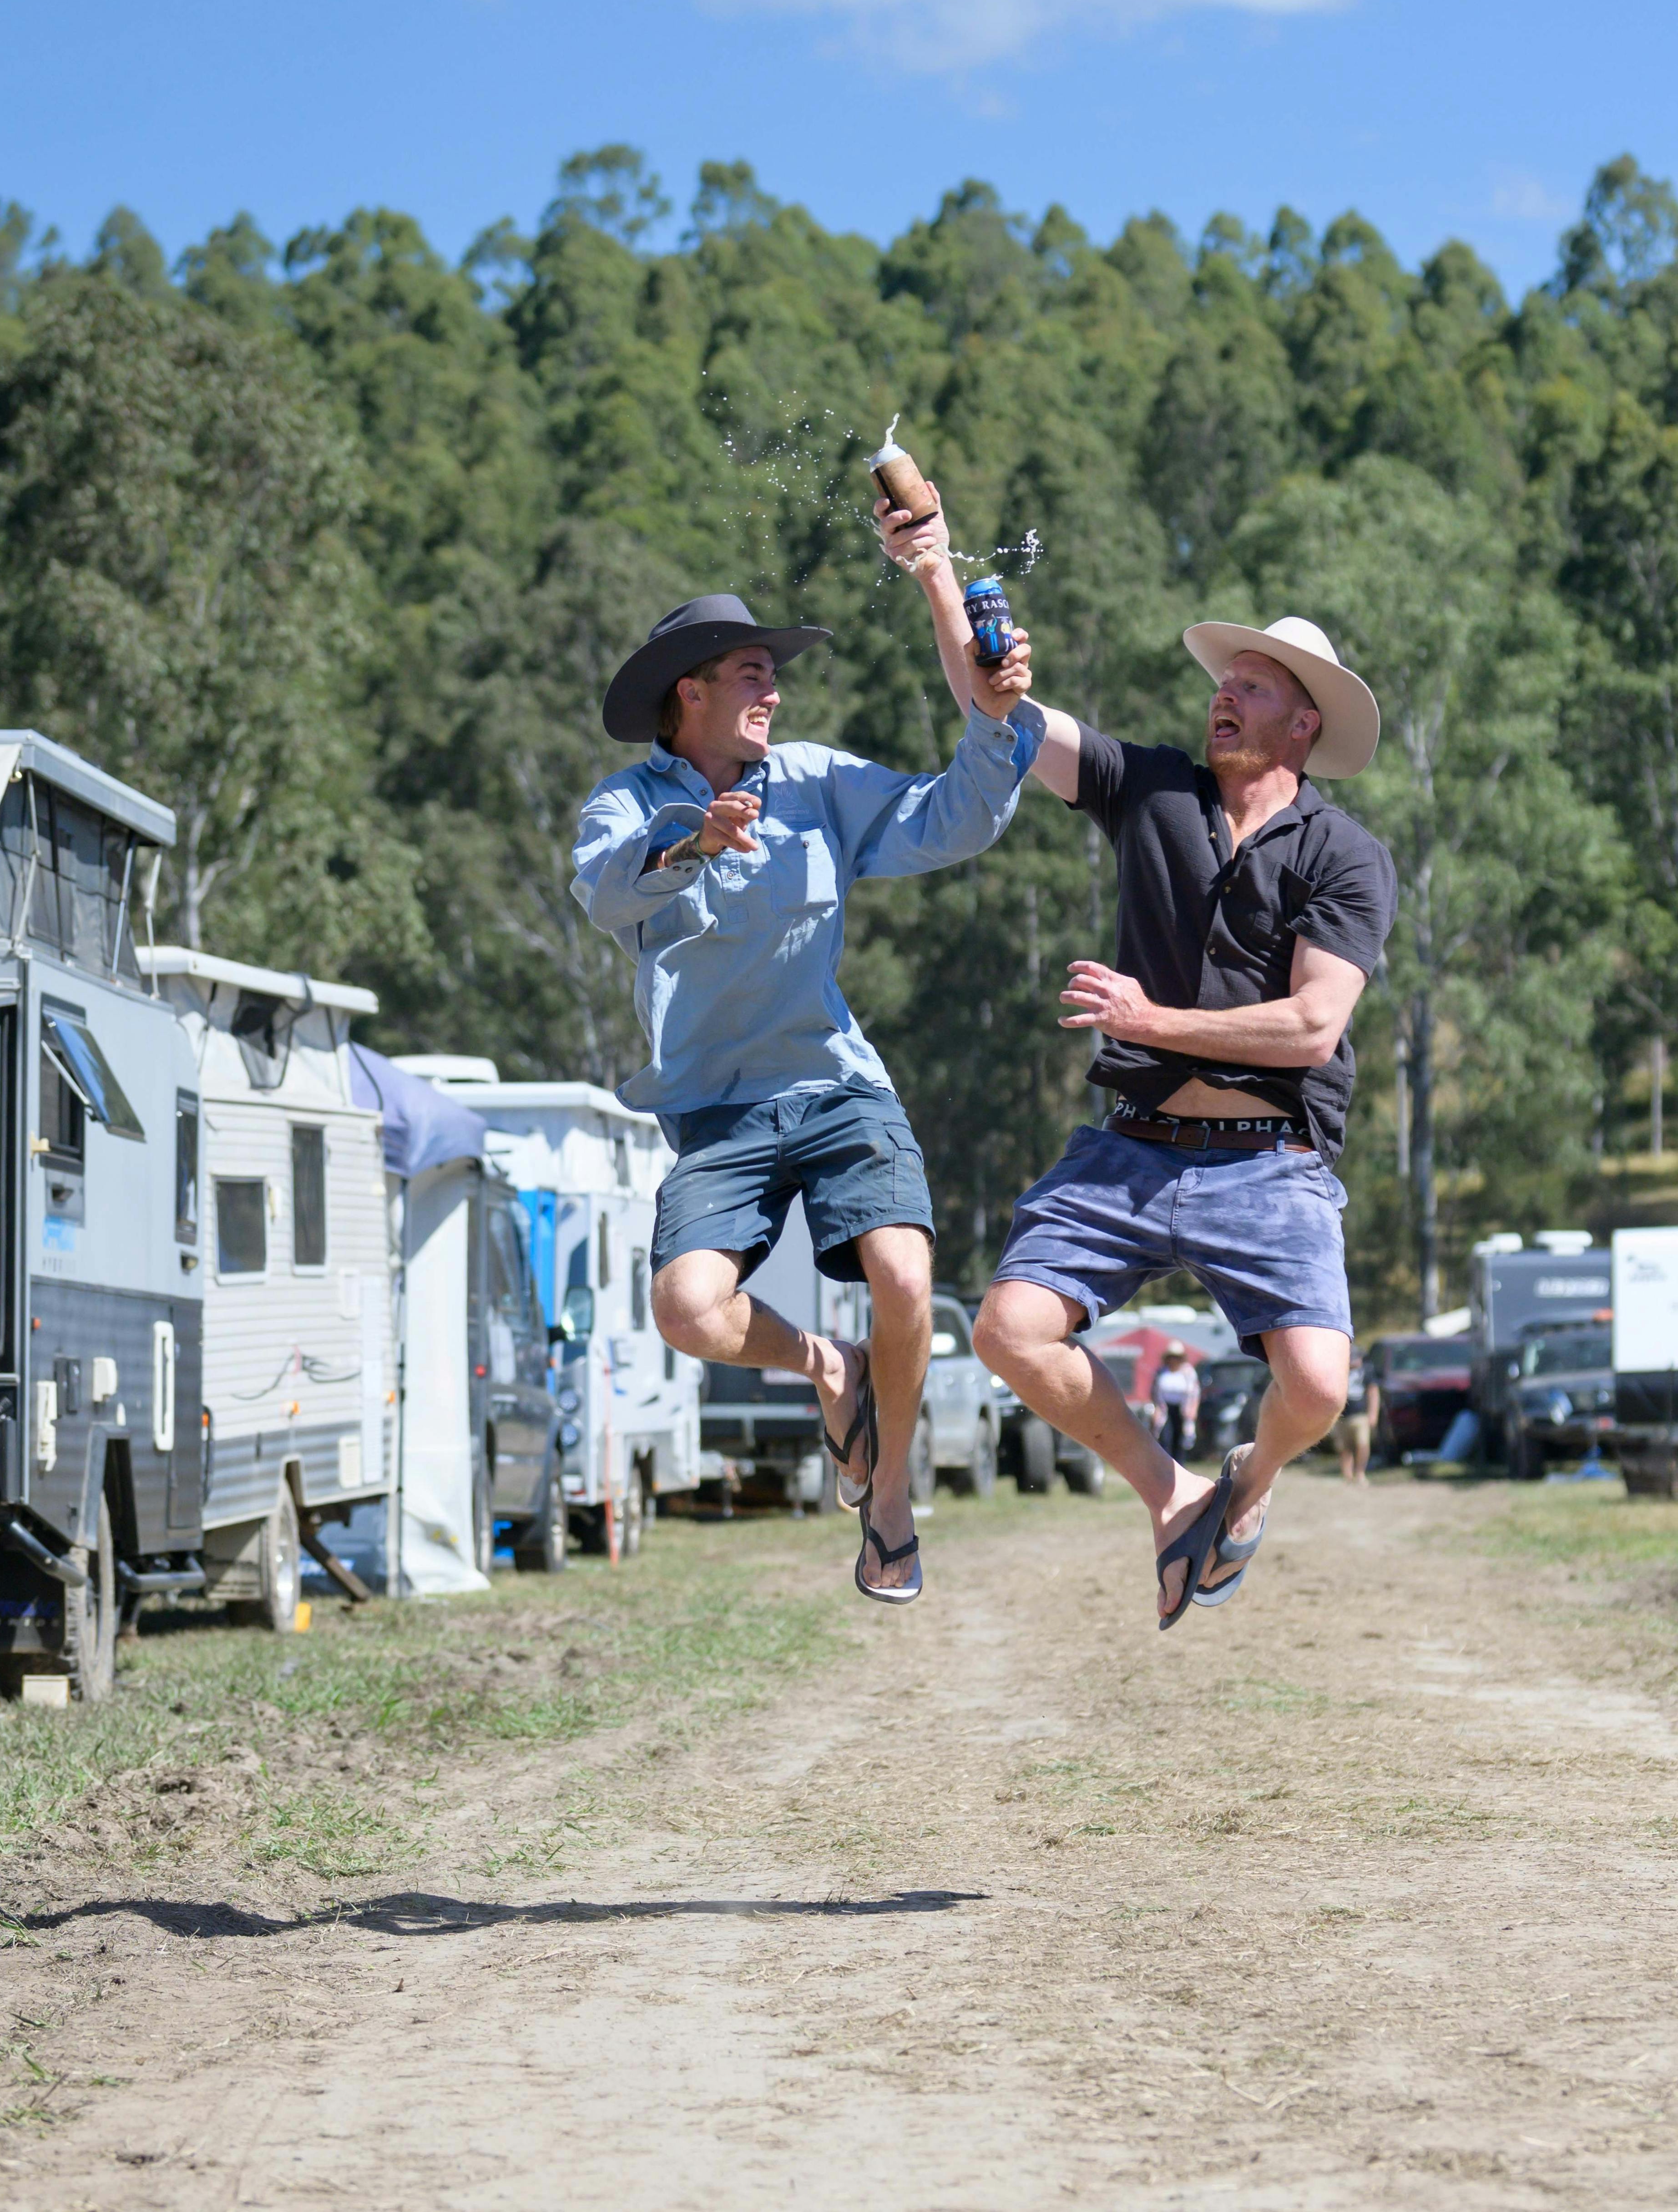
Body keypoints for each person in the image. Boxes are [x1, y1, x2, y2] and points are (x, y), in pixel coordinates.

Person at [873, 491, 1395, 1629]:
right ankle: (1175, 1495)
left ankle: (1248, 1483)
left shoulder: (1347, 856)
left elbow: (1312, 1028)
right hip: (1135, 1149)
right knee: (1008, 1329)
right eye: (1227, 680)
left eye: (1255, 688)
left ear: (1304, 726)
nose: (1226, 696)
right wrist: (934, 576)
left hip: (1271, 1161)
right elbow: (1003, 710)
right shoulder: (1148, 788)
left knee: (1316, 1387)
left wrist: (1149, 1019)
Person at [571, 567, 1040, 1605]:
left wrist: (997, 722)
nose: (774, 689)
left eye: (774, 674)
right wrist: (692, 840)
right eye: (752, 671)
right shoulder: (625, 804)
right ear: (687, 692)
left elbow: (952, 818)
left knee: (908, 1281)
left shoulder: (820, 781)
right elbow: (604, 893)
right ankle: (832, 1368)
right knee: (688, 1311)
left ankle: (891, 1504)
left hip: (836, 1085)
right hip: (718, 1109)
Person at [1334, 1343, 1380, 1483]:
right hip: (1341, 1416)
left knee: (1363, 1444)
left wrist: (1373, 1414)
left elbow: (1373, 1393)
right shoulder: (1338, 1371)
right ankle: (1347, 1475)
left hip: (1361, 1415)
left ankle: (1360, 1473)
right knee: (1344, 1448)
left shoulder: (1367, 1371)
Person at [1151, 1344, 1202, 1458]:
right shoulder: (1162, 1372)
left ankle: (1180, 1464)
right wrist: (1156, 1409)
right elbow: (1155, 1392)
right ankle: (1166, 1464)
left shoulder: (1188, 1372)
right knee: (1165, 1437)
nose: (1174, 1360)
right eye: (1172, 1357)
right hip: (1166, 1409)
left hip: (1182, 1409)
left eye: (1177, 1357)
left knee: (1181, 1439)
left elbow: (1195, 1392)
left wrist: (1194, 1409)